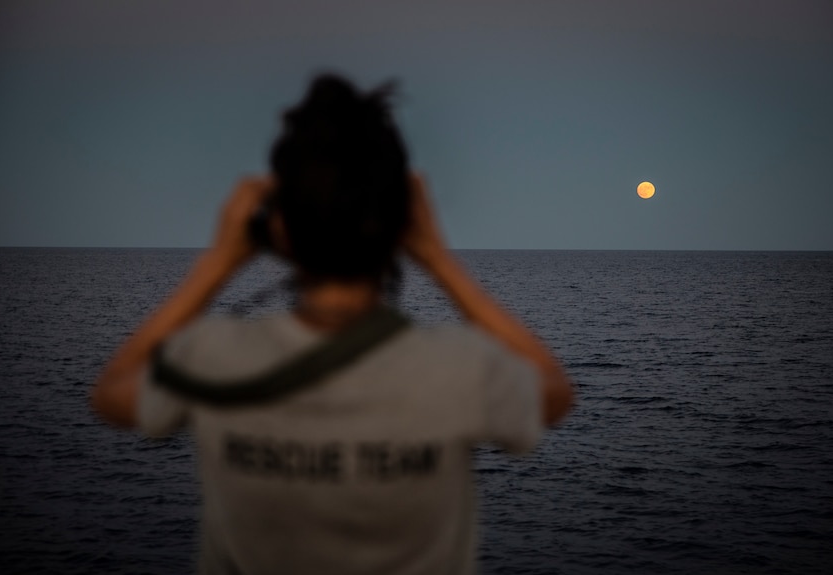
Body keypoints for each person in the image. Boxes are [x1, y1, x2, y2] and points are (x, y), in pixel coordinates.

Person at [91, 74, 574, 575]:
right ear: (404, 222)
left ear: (277, 226)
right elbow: (555, 392)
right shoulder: (459, 367)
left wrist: (219, 260)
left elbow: (111, 394)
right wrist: (440, 260)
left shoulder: (210, 357)